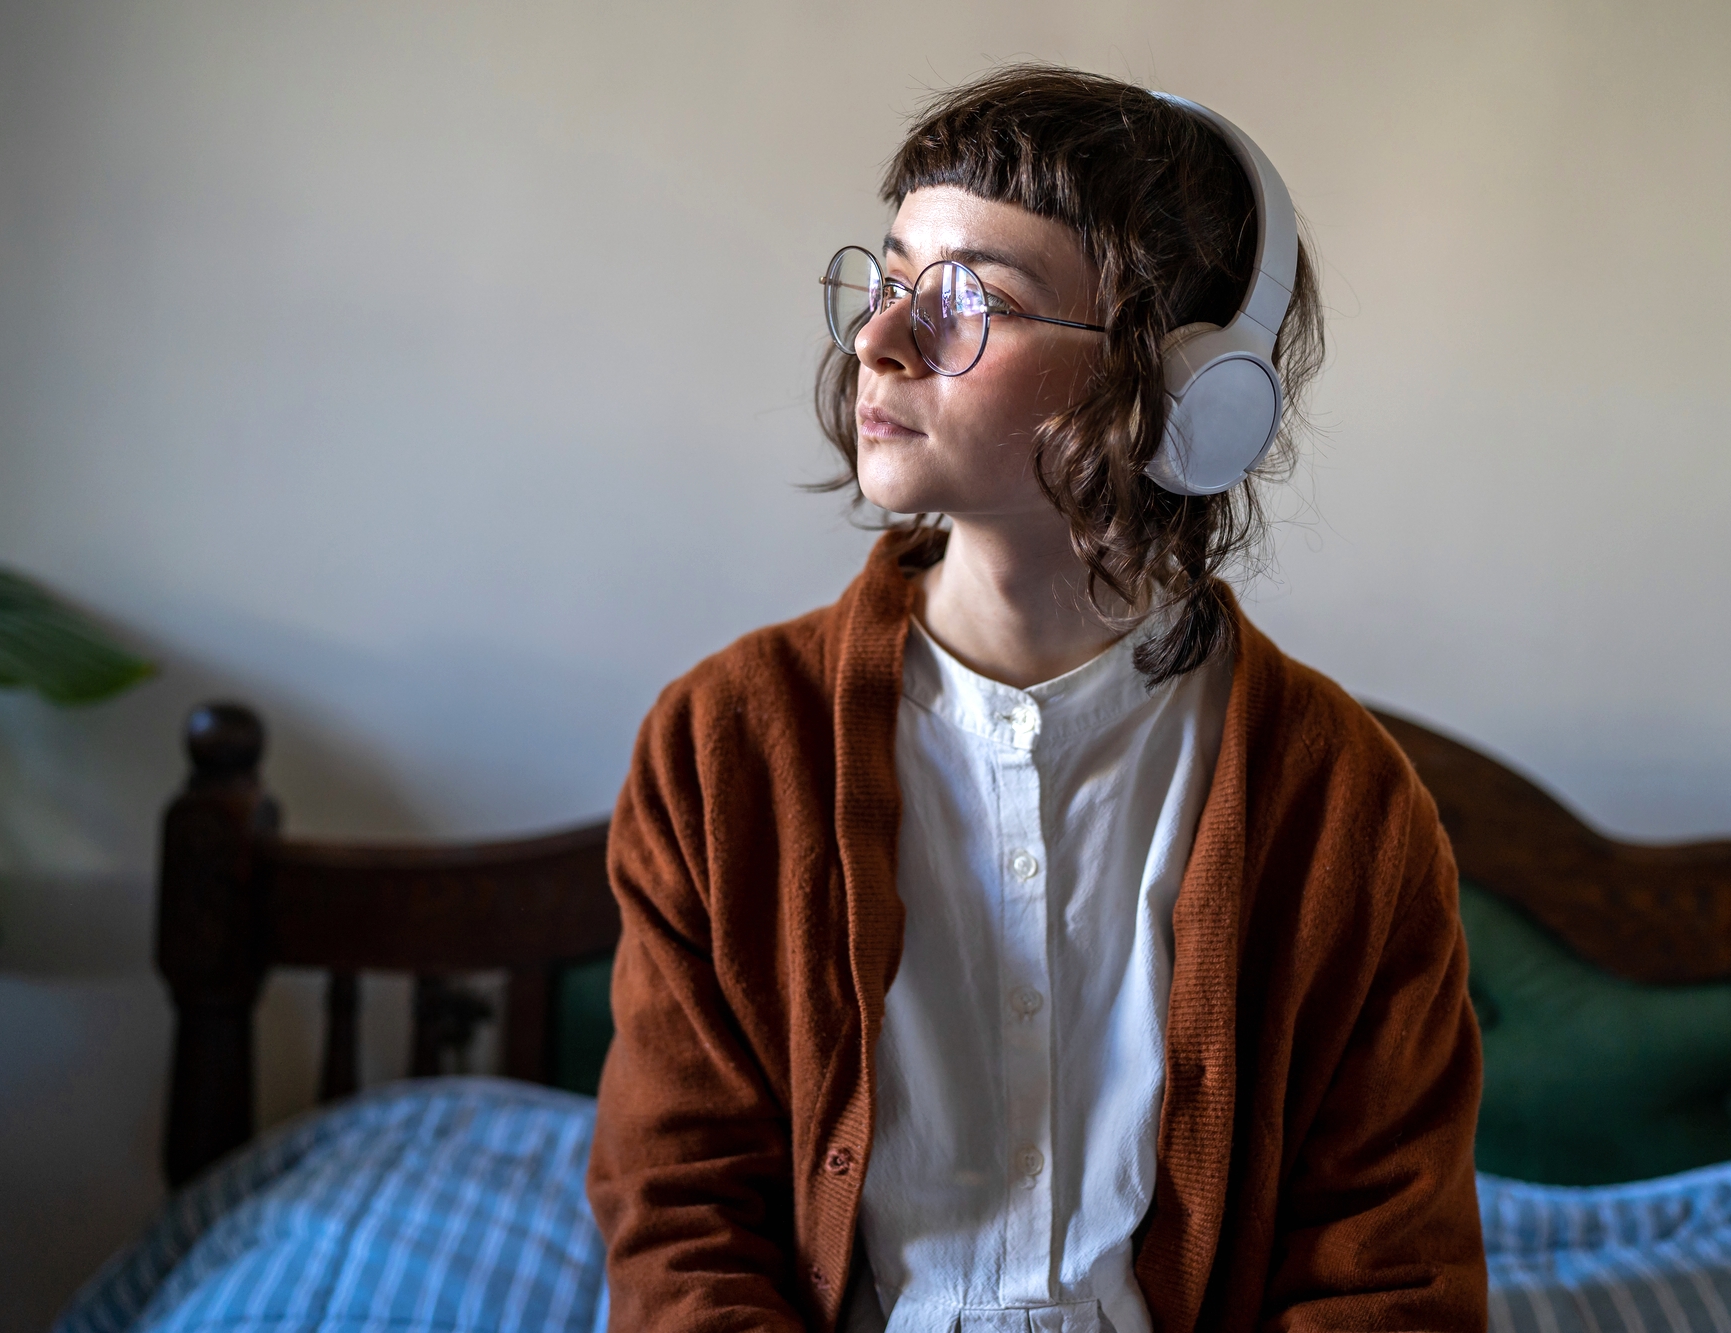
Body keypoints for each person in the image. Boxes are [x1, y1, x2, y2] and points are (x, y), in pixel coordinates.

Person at [587, 65, 1485, 1333]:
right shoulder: (721, 751)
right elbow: (679, 1223)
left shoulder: (1346, 806)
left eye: (968, 300)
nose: (878, 340)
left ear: (1185, 393)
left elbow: (1388, 1278)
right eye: (890, 278)